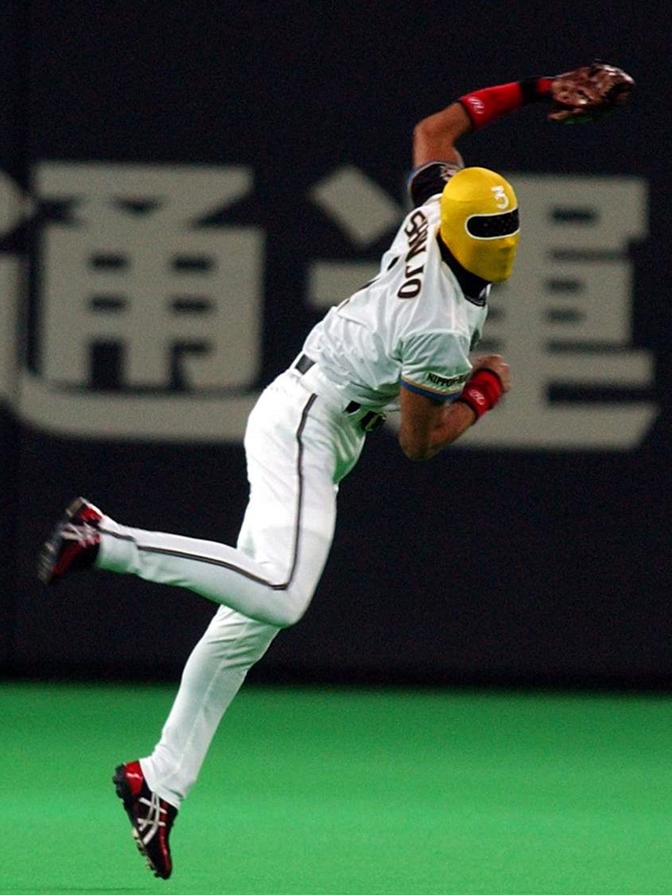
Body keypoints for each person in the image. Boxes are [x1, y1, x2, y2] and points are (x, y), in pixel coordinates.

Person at [38, 63, 632, 880]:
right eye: (495, 238)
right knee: (283, 592)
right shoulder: (439, 327)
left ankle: (159, 781)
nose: (501, 247)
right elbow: (420, 442)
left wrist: (540, 89)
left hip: (317, 408)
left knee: (245, 626)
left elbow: (435, 130)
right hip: (309, 421)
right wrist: (485, 392)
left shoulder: (438, 206)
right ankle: (105, 538)